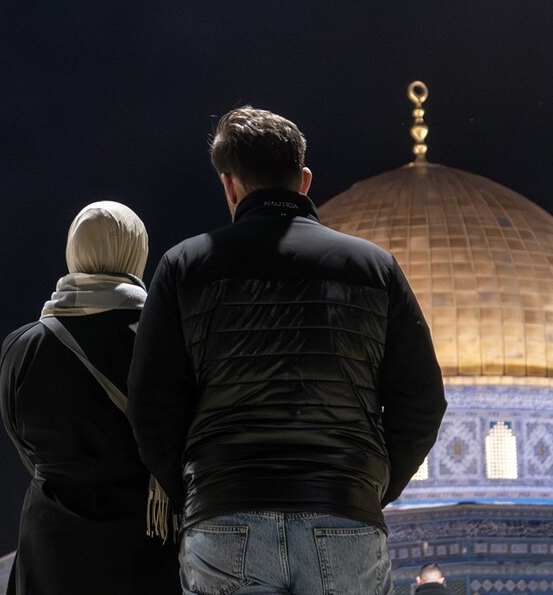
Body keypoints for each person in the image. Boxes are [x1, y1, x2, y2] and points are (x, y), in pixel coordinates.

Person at [126, 106, 447, 594]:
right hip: (344, 515)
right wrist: (367, 487)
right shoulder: (373, 268)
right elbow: (421, 401)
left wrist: (202, 488)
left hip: (225, 515)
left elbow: (150, 406)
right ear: (304, 180)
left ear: (229, 184)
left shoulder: (185, 267)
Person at [0, 201, 180, 595]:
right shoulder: (166, 340)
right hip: (145, 545)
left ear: (74, 251)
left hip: (51, 548)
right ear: (138, 252)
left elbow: (20, 440)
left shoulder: (23, 346)